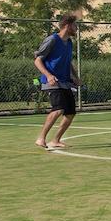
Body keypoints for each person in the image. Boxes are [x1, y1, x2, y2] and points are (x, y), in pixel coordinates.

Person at [34, 14, 81, 149]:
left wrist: (75, 77)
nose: (76, 29)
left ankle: (55, 140)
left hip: (65, 82)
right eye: (75, 26)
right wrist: (48, 75)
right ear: (67, 25)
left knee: (70, 113)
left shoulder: (69, 43)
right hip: (52, 82)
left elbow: (68, 62)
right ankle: (41, 138)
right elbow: (37, 60)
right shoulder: (52, 40)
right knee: (58, 109)